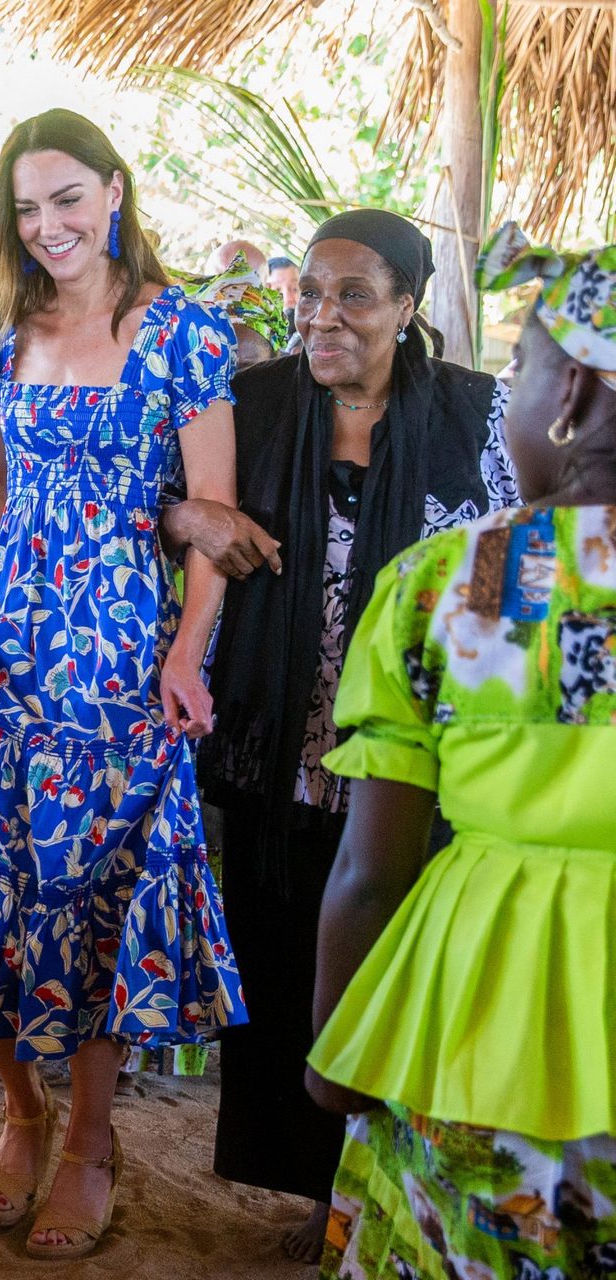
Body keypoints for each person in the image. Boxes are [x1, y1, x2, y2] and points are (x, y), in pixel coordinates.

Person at [0, 107, 247, 1259]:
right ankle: (20, 1113)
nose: (48, 223)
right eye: (27, 206)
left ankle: (90, 1142)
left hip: (115, 658)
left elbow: (210, 522)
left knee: (98, 893)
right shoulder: (6, 332)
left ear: (114, 192)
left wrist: (183, 654)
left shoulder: (185, 336)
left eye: (67, 197)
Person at [199, 208, 520, 1262]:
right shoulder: (252, 403)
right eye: (310, 295)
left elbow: (529, 538)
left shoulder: (478, 416)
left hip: (414, 753)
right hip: (277, 735)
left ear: (407, 307)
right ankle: (310, 1186)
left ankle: (371, 1183)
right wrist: (190, 519)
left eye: (353, 297)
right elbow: (169, 498)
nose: (322, 317)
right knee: (290, 953)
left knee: (391, 956)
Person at [306, 224, 616, 1280]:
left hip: (469, 1015)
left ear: (568, 397)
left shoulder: (455, 583)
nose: (511, 395)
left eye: (521, 370)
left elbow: (370, 866)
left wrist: (337, 1045)